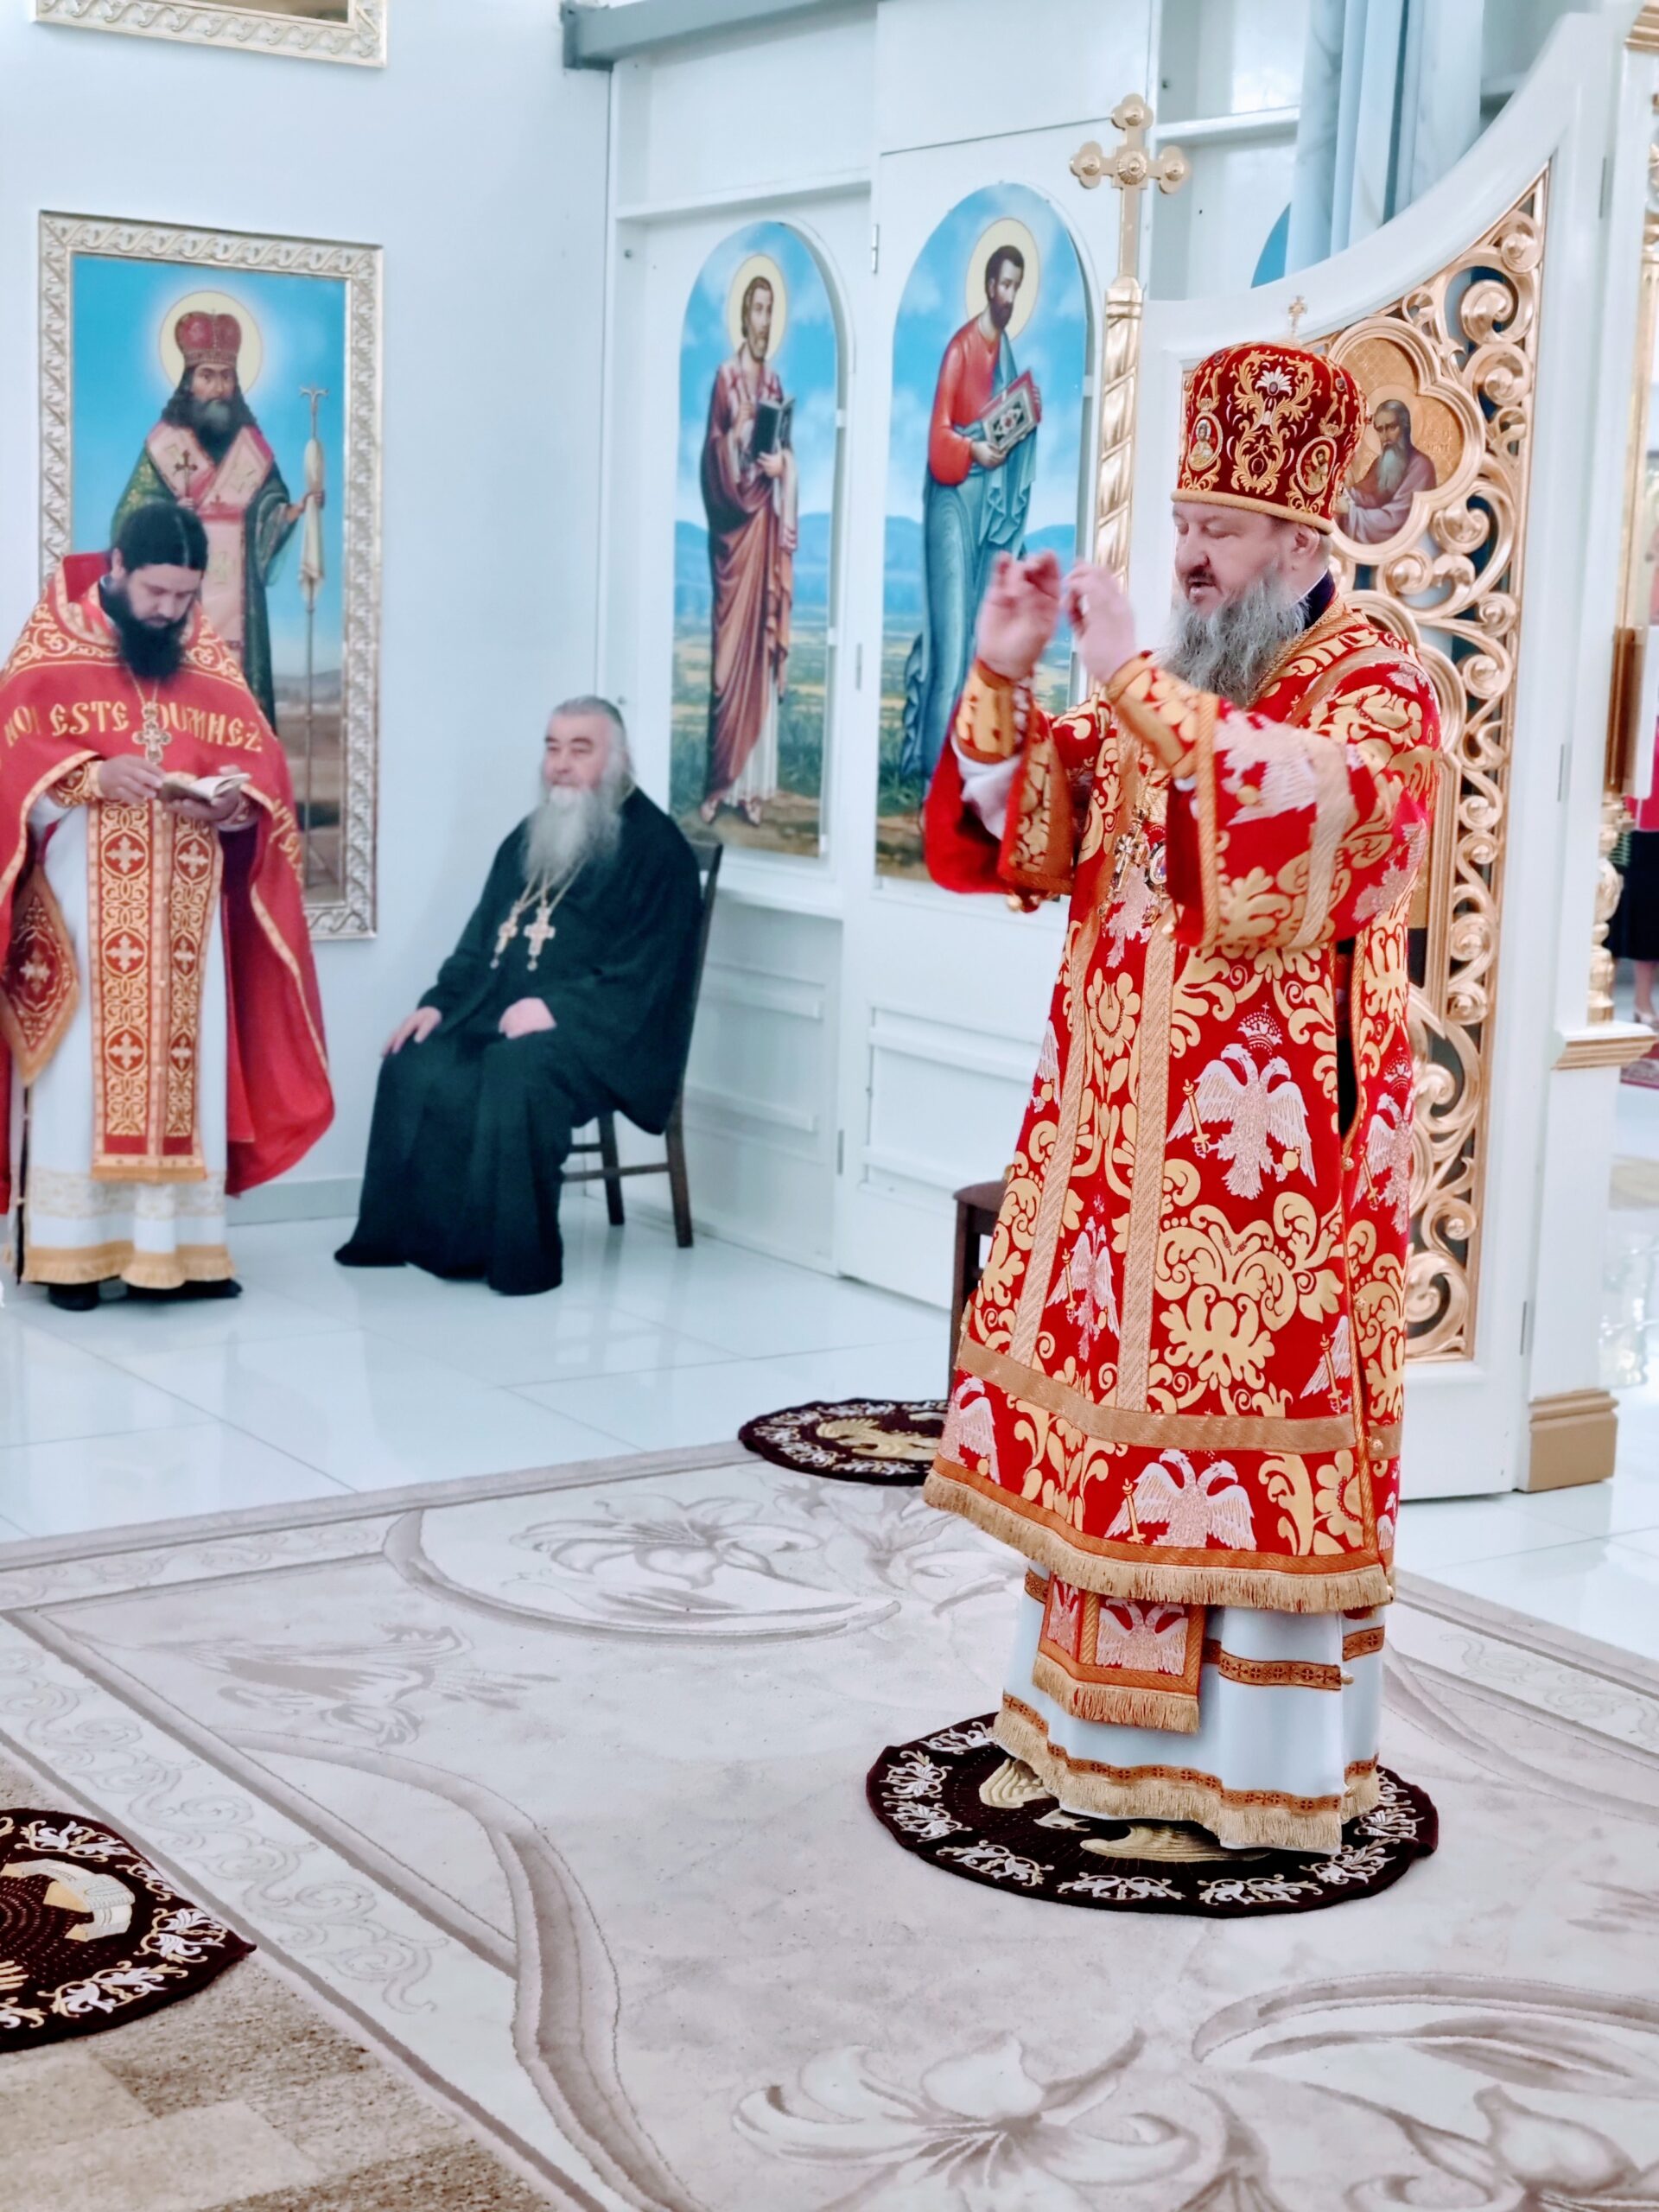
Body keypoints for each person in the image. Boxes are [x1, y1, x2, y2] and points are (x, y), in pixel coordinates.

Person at [923, 339, 1442, 1853]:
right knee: (1111, 1431)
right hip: (1119, 1156)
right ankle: (1085, 1744)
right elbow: (1018, 835)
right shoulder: (1189, 675)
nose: (1193, 556)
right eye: (1184, 526)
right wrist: (1006, 670)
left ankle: (1256, 1777)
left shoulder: (1377, 683)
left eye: (1221, 530)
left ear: (1301, 535)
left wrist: (1135, 684)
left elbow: (1298, 824)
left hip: (1277, 1175)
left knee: (1243, 1445)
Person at [0, 501, 333, 1310]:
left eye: (186, 596)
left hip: (188, 916)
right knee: (81, 1078)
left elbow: (257, 768)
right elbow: (12, 771)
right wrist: (91, 776)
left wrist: (233, 806)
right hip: (82, 910)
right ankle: (73, 1257)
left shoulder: (202, 658)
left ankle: (180, 1255)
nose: (171, 611)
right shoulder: (50, 649)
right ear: (117, 567)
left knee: (191, 1071)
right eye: (157, 592)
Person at [337, 699, 702, 1297]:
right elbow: (479, 937)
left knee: (519, 1068)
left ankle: (516, 1259)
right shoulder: (532, 834)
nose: (561, 764)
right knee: (415, 1056)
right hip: (501, 1016)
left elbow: (650, 975)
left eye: (580, 749)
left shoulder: (658, 852)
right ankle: (417, 1240)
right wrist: (440, 1002)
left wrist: (558, 1010)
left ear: (619, 757)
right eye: (553, 747)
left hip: (606, 1036)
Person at [111, 309, 320, 728]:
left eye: (226, 377)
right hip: (179, 594)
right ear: (188, 381)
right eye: (207, 376)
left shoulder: (251, 446)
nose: (218, 388)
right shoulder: (164, 445)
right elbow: (129, 518)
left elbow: (269, 503)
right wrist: (168, 518)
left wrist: (288, 514)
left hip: (242, 600)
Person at [898, 245, 1041, 786]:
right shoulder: (961, 349)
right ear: (987, 286)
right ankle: (932, 782)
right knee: (952, 643)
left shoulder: (1004, 352)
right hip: (953, 504)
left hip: (986, 512)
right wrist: (974, 449)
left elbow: (1005, 422)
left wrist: (1022, 421)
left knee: (979, 646)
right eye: (1004, 285)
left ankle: (957, 783)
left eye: (1016, 287)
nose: (1009, 296)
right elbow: (939, 439)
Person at [700, 275, 798, 826]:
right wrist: (734, 440)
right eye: (756, 310)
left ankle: (751, 788)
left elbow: (786, 453)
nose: (763, 321)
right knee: (725, 664)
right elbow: (710, 458)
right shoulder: (726, 378)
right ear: (744, 317)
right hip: (733, 538)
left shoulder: (775, 383)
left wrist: (783, 467)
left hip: (764, 528)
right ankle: (720, 781)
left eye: (769, 310)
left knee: (759, 657)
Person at [1343, 397, 1438, 544]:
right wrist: (1344, 490)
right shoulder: (1380, 463)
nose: (1385, 436)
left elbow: (1397, 519)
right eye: (1380, 430)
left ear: (1405, 427)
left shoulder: (1421, 466)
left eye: (1391, 427)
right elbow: (1368, 497)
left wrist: (1349, 510)